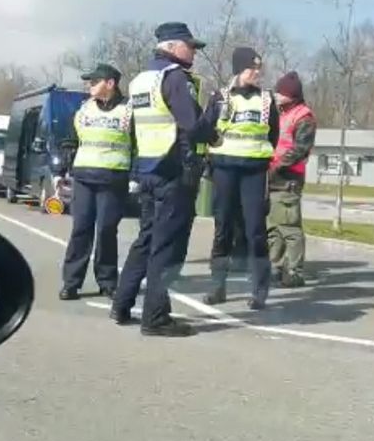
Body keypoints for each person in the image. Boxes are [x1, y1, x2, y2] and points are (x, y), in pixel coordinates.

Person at [110, 22, 214, 337]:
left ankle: (122, 303)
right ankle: (155, 317)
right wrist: (216, 111)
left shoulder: (141, 80)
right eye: (189, 45)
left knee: (146, 239)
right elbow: (193, 125)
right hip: (174, 171)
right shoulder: (174, 78)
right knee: (167, 247)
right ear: (171, 46)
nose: (194, 51)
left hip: (149, 170)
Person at [201, 47, 279, 309]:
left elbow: (274, 136)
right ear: (238, 69)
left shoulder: (267, 100)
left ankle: (259, 289)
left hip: (254, 171)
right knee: (222, 228)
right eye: (250, 68)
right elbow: (206, 129)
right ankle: (217, 286)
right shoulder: (220, 97)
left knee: (256, 230)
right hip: (224, 170)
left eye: (259, 69)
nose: (256, 73)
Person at [58, 64, 133, 301]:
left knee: (106, 231)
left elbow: (137, 144)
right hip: (83, 178)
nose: (89, 86)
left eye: (94, 81)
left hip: (113, 178)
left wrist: (137, 176)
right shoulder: (84, 109)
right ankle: (71, 283)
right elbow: (70, 139)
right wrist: (64, 165)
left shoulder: (129, 110)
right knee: (80, 229)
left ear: (110, 83)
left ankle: (107, 282)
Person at [267, 72, 317, 288]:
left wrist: (277, 166)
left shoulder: (303, 117)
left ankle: (293, 271)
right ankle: (275, 266)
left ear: (292, 95)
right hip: (272, 177)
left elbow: (300, 149)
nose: (276, 95)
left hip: (288, 178)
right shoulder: (280, 113)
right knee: (274, 227)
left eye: (281, 92)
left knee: (289, 227)